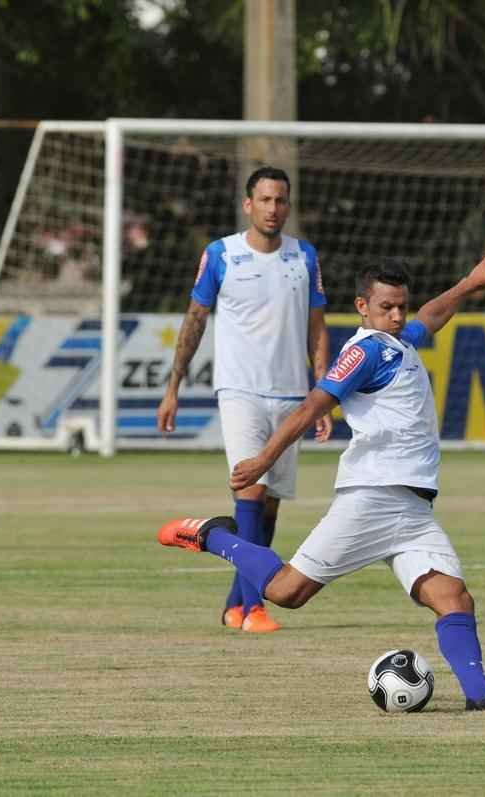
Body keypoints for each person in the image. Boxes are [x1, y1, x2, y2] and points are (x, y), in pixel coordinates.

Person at [157, 254, 485, 712]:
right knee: (287, 592)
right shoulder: (364, 352)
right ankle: (212, 535)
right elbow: (312, 405)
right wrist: (263, 460)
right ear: (363, 306)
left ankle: (482, 696)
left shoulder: (399, 342)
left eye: (401, 306)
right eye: (387, 307)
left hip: (413, 509)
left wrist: (468, 283)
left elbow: (431, 317)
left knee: (454, 597)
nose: (398, 316)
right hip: (372, 498)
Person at [157, 166, 331, 634]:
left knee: (270, 505)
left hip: (292, 394)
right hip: (240, 391)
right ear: (248, 205)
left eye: (281, 201)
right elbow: (195, 319)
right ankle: (255, 609)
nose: (274, 209)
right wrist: (173, 387)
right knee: (249, 491)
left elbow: (317, 327)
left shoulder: (304, 256)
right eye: (266, 200)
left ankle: (236, 604)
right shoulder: (221, 255)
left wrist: (322, 392)